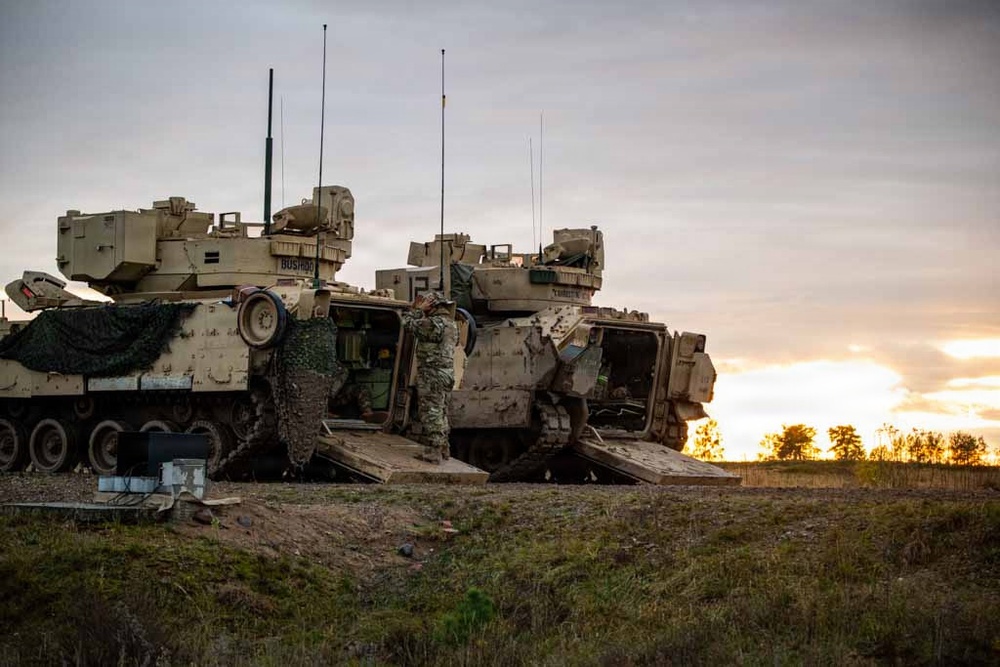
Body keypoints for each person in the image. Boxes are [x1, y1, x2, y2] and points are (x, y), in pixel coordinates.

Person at [402, 291, 458, 464]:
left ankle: (434, 451)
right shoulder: (451, 324)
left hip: (432, 373)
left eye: (427, 304)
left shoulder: (434, 324)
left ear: (433, 306)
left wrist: (417, 310)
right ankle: (444, 448)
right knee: (441, 411)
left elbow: (407, 324)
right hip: (446, 373)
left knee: (430, 413)